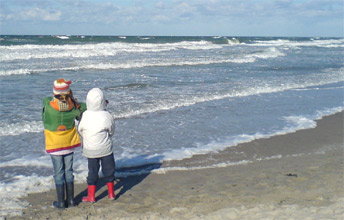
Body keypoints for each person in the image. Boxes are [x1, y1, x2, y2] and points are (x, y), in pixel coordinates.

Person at [42, 79, 86, 209]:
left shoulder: (48, 106)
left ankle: (61, 202)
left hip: (55, 144)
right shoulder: (73, 107)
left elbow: (46, 100)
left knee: (58, 173)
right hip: (69, 143)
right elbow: (83, 107)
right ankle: (71, 201)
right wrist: (72, 100)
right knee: (69, 172)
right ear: (69, 93)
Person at [78, 88, 116, 203]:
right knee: (109, 171)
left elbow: (80, 130)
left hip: (90, 149)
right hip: (105, 148)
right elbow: (111, 130)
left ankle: (91, 196)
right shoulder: (107, 115)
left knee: (92, 172)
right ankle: (111, 193)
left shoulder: (85, 115)